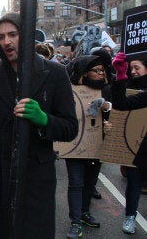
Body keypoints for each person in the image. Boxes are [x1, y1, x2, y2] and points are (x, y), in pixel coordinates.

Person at [0, 12, 78, 238]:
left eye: (13, 34)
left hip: (35, 177)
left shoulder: (55, 73)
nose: (6, 41)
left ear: (25, 36)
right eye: (0, 37)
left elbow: (70, 128)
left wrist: (44, 119)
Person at [63, 54, 112, 238]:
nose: (101, 73)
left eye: (102, 70)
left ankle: (84, 213)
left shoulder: (106, 90)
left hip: (97, 145)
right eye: (96, 70)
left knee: (90, 184)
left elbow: (118, 115)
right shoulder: (70, 90)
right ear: (85, 73)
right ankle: (75, 222)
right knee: (76, 183)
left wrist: (108, 115)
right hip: (75, 145)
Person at [110, 53, 147, 235]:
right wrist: (121, 76)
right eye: (131, 69)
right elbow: (121, 104)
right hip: (140, 150)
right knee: (134, 184)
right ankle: (130, 216)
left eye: (136, 68)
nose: (134, 72)